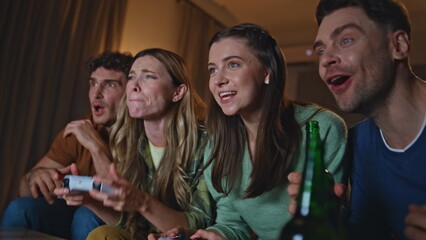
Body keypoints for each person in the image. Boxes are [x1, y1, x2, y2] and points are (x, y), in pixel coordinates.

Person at [151, 23, 347, 240]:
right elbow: (232, 223)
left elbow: (342, 220)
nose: (218, 80)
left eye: (233, 65)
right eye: (212, 70)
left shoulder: (322, 128)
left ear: (266, 72)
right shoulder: (218, 142)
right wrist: (207, 235)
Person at [288, 0, 426, 239]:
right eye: (321, 50)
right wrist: (331, 219)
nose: (325, 60)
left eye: (346, 40)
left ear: (399, 45)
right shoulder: (358, 142)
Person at [77, 48, 214, 239]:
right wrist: (87, 200)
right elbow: (131, 223)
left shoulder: (205, 144)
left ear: (178, 92)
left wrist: (142, 202)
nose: (134, 86)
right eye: (132, 77)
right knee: (102, 233)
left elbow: (201, 224)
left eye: (149, 77)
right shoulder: (129, 139)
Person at [1, 51, 133, 239]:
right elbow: (23, 189)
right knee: (20, 209)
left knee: (86, 215)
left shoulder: (142, 135)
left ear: (130, 93)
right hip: (72, 213)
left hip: (120, 220)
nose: (97, 93)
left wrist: (96, 147)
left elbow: (120, 198)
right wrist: (36, 177)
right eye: (93, 83)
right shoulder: (79, 129)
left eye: (110, 84)